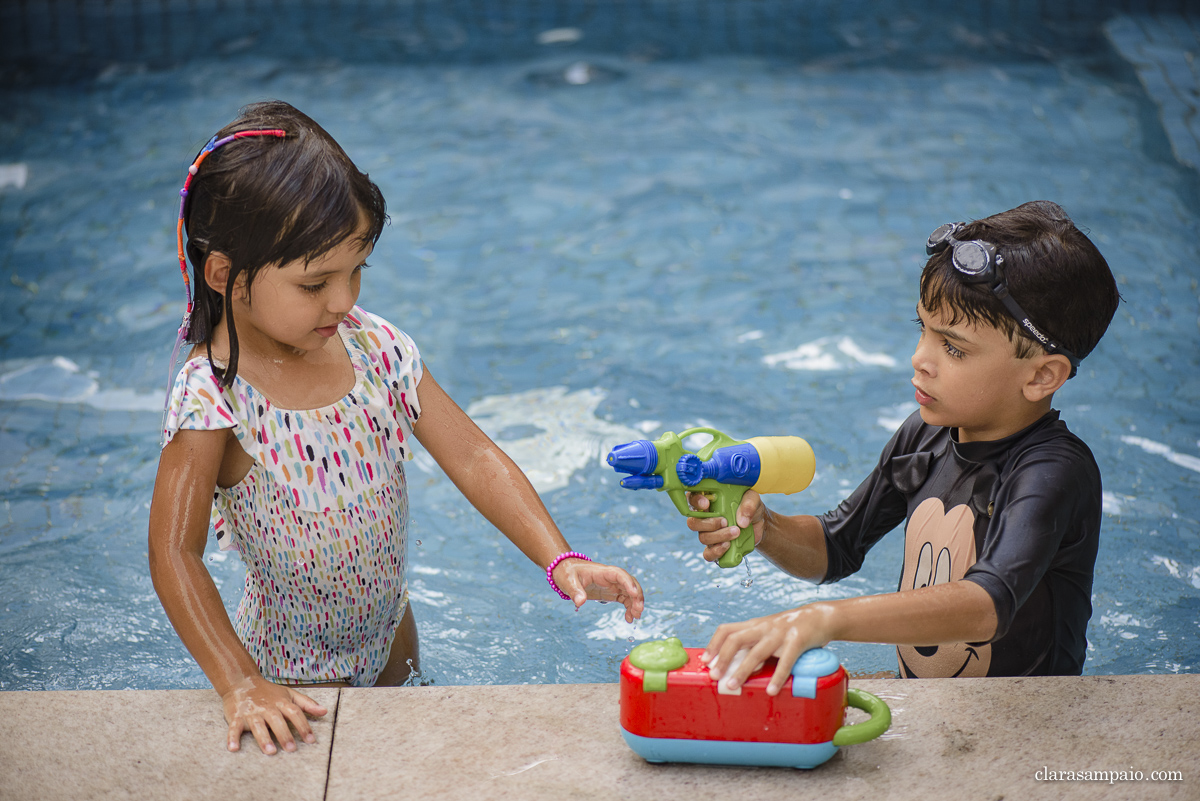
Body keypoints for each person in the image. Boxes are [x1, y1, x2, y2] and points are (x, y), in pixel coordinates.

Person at [148, 101, 644, 755]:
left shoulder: (373, 348)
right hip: (289, 677)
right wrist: (241, 683)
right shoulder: (214, 393)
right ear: (224, 274)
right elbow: (173, 553)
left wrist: (561, 557)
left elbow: (472, 456)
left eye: (357, 270)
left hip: (392, 644)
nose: (344, 299)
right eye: (315, 282)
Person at [689, 201, 1120, 693]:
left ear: (1043, 375)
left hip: (1028, 722)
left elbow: (987, 606)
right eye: (923, 330)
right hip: (937, 707)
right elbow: (836, 547)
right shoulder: (926, 435)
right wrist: (765, 528)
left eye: (953, 348)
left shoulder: (1052, 471)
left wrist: (824, 620)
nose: (920, 360)